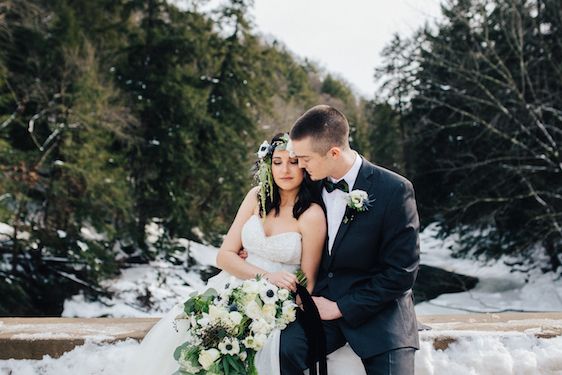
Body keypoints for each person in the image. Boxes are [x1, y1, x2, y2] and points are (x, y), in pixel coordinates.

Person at [124, 133, 327, 375]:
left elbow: (308, 281)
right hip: (231, 288)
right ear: (267, 165)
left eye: (293, 162)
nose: (285, 169)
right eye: (277, 162)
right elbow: (224, 256)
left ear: (304, 165)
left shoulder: (311, 214)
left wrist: (276, 313)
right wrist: (264, 277)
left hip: (277, 305)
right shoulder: (256, 197)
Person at [280, 105, 421, 375]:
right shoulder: (310, 185)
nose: (300, 165)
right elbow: (278, 211)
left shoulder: (394, 190)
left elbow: (401, 273)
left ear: (333, 152)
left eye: (305, 158)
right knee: (280, 351)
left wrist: (341, 307)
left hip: (380, 312)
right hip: (319, 306)